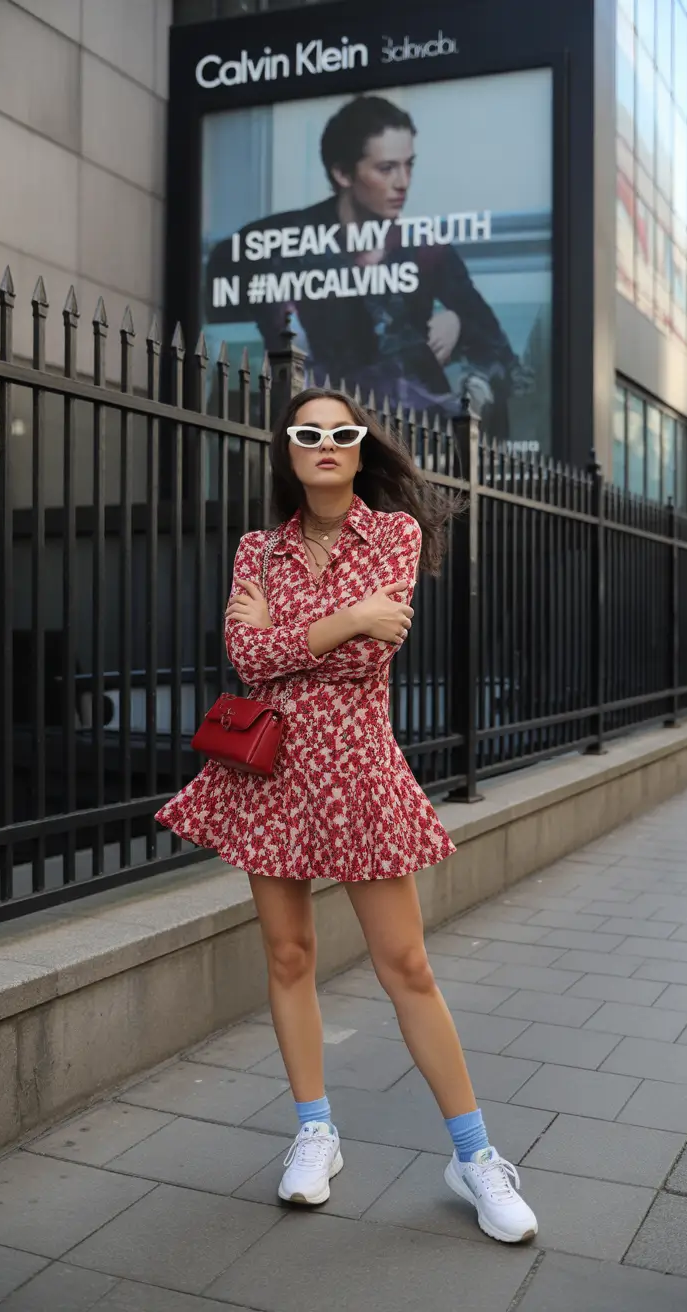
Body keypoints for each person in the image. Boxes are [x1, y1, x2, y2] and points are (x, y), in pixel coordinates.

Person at [156, 386, 538, 1244]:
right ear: (287, 451)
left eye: (341, 433)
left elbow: (376, 647)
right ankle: (314, 1131)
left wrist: (316, 635)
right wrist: (345, 620)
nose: (325, 443)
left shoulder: (394, 534)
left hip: (359, 768)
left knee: (406, 963)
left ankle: (474, 1156)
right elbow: (247, 657)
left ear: (361, 450)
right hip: (273, 772)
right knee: (288, 954)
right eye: (308, 433)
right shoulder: (257, 549)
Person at [205, 96, 531, 426]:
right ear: (343, 173)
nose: (403, 183)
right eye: (386, 168)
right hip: (307, 430)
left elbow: (501, 355)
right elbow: (219, 334)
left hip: (408, 438)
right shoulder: (274, 243)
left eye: (409, 165)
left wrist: (458, 325)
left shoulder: (427, 250)